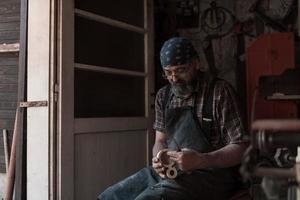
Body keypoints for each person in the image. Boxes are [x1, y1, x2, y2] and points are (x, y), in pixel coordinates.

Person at [97, 37, 247, 200]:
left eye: (181, 70)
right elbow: (160, 141)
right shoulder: (164, 96)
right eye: (168, 72)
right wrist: (159, 159)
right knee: (110, 196)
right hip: (173, 171)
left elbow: (242, 147)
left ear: (196, 64)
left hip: (213, 175)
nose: (174, 79)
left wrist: (201, 160)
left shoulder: (220, 92)